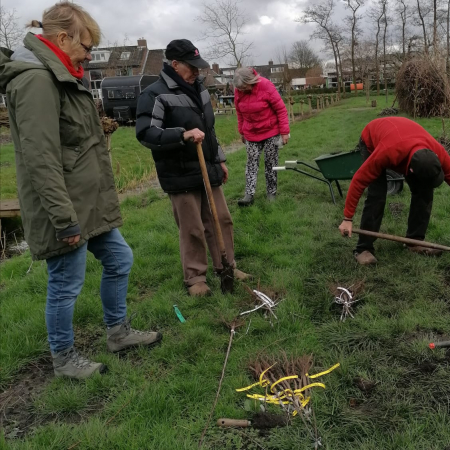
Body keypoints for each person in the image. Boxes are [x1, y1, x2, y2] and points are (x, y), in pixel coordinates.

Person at [0, 2, 161, 380]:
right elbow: (41, 159)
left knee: (120, 259)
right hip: (65, 208)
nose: (90, 56)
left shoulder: (61, 73)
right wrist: (63, 219)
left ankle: (118, 333)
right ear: (60, 38)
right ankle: (64, 359)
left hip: (88, 202)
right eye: (87, 47)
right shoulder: (37, 80)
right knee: (65, 283)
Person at [136, 39, 250, 297]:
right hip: (179, 172)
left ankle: (227, 266)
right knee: (192, 227)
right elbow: (145, 133)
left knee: (222, 219)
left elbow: (209, 130)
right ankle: (196, 278)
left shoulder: (199, 90)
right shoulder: (154, 94)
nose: (197, 72)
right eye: (192, 67)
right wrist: (181, 135)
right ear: (175, 65)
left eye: (199, 66)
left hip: (207, 167)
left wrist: (219, 158)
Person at [338, 117, 450, 264]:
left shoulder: (438, 153)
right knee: (377, 195)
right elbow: (359, 181)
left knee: (424, 192)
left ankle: (414, 241)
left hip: (405, 138)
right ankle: (363, 249)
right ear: (411, 171)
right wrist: (347, 218)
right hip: (374, 138)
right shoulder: (387, 152)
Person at [233, 67, 290, 206]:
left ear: (251, 81)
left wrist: (284, 132)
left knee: (271, 163)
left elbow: (281, 109)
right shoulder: (239, 90)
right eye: (240, 88)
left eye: (245, 87)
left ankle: (271, 193)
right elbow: (240, 113)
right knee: (251, 163)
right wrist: (242, 132)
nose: (242, 90)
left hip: (271, 131)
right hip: (251, 133)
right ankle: (249, 195)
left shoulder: (265, 85)